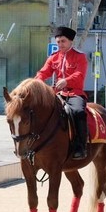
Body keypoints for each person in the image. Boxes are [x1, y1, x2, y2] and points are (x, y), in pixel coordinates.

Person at [34, 26, 88, 160]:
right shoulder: (53, 58)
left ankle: (80, 147)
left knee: (78, 112)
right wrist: (37, 82)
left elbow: (80, 74)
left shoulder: (80, 57)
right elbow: (43, 72)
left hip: (75, 93)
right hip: (58, 94)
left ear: (71, 42)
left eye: (63, 41)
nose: (60, 44)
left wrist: (66, 81)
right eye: (58, 42)